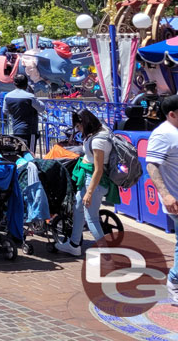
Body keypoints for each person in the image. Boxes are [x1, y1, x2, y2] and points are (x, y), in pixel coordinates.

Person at [57, 108, 119, 257]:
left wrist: (89, 193)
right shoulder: (102, 130)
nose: (78, 130)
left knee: (91, 218)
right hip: (90, 179)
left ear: (85, 123)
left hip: (93, 181)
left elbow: (98, 170)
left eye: (79, 126)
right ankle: (74, 244)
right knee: (78, 207)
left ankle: (106, 254)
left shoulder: (98, 140)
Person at [146, 94, 178, 303]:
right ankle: (174, 282)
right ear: (173, 114)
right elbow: (151, 165)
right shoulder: (163, 134)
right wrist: (166, 195)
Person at [3, 73, 45, 154]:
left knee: (19, 154)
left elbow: (5, 111)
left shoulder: (7, 96)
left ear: (14, 84)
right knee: (30, 154)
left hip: (15, 130)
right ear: (26, 84)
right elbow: (42, 108)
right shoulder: (30, 97)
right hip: (30, 131)